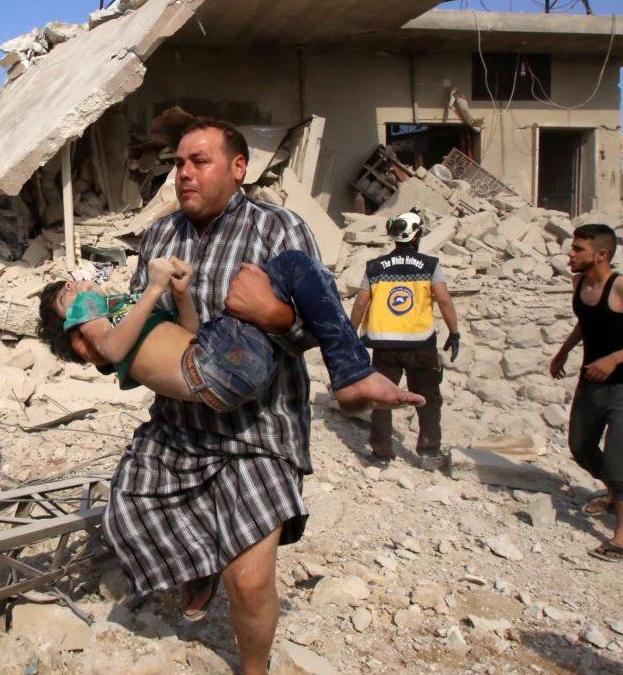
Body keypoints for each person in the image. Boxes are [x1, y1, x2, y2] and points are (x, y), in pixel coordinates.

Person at [102, 119, 334, 675]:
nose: (183, 173)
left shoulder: (279, 230)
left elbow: (320, 325)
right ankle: (199, 563)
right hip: (180, 425)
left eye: (199, 161)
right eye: (178, 163)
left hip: (258, 428)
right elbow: (143, 323)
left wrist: (274, 314)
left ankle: (254, 668)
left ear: (238, 168)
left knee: (249, 581)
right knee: (128, 517)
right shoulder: (159, 236)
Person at [38, 255, 423, 414]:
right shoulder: (90, 320)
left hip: (220, 362)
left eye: (68, 285)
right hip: (209, 370)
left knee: (292, 268)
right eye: (63, 297)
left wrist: (181, 295)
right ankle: (352, 376)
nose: (72, 289)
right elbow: (110, 348)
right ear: (69, 334)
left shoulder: (123, 309)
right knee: (289, 265)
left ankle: (352, 375)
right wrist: (153, 289)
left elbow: (188, 333)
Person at [549, 224, 623, 562]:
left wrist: (615, 359)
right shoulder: (579, 283)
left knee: (618, 460)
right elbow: (586, 322)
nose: (570, 254)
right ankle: (616, 491)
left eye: (578, 249)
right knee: (581, 447)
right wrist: (564, 351)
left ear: (601, 255)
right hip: (590, 381)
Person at [349, 209, 460, 469]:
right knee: (428, 397)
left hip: (384, 345)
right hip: (421, 344)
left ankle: (380, 453)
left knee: (382, 398)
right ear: (416, 236)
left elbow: (361, 302)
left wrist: (350, 334)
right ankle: (429, 452)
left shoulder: (375, 267)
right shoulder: (430, 265)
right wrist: (454, 332)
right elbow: (444, 299)